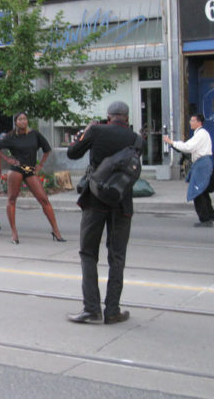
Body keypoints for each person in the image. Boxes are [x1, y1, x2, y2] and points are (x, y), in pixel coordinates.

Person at [66, 101, 138, 325]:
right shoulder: (136, 139)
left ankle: (91, 310)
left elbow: (72, 152)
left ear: (108, 117)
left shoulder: (96, 131)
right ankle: (113, 311)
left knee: (88, 254)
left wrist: (85, 132)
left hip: (95, 201)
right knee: (117, 257)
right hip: (121, 203)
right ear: (127, 118)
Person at [0, 111, 64, 245]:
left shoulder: (34, 134)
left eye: (25, 119)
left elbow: (47, 149)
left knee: (44, 199)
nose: (23, 121)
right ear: (16, 122)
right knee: (12, 200)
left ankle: (56, 230)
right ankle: (14, 233)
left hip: (30, 170)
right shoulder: (11, 136)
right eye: (20, 119)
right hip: (16, 169)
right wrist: (7, 159)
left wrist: (40, 165)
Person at [163, 113, 214, 227]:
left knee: (197, 192)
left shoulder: (201, 134)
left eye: (193, 120)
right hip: (203, 163)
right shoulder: (201, 133)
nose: (190, 122)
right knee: (202, 191)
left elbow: (188, 147)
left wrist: (172, 142)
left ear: (199, 122)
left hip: (202, 165)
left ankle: (205, 219)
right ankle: (211, 215)